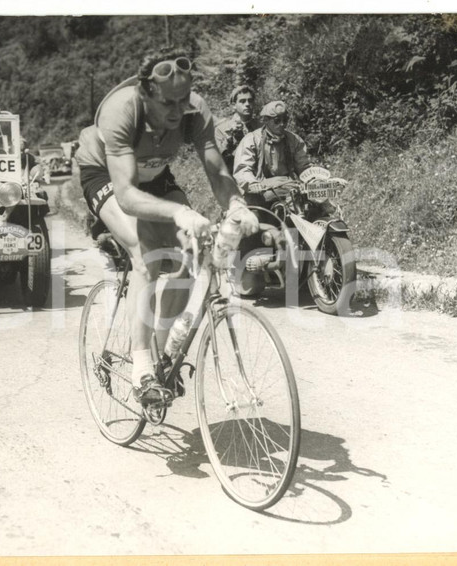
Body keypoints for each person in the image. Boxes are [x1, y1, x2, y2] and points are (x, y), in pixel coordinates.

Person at [74, 48, 258, 405]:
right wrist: (178, 213)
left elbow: (217, 170)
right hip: (107, 175)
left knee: (190, 253)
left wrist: (237, 204)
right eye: (168, 104)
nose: (177, 112)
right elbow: (127, 194)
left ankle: (159, 356)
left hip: (155, 173)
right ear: (147, 94)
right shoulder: (121, 110)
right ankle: (141, 369)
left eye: (183, 101)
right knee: (147, 253)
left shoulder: (193, 110)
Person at [233, 100, 313, 195]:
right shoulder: (252, 139)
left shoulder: (294, 140)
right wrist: (252, 183)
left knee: (316, 203)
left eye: (285, 120)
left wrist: (312, 180)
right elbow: (243, 168)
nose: (282, 124)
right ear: (266, 121)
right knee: (251, 208)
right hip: (260, 189)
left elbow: (303, 167)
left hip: (289, 186)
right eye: (277, 121)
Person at [214, 85, 261, 172]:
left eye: (250, 101)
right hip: (234, 176)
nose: (247, 104)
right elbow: (218, 161)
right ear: (234, 105)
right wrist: (229, 140)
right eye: (242, 101)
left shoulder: (261, 127)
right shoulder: (222, 129)